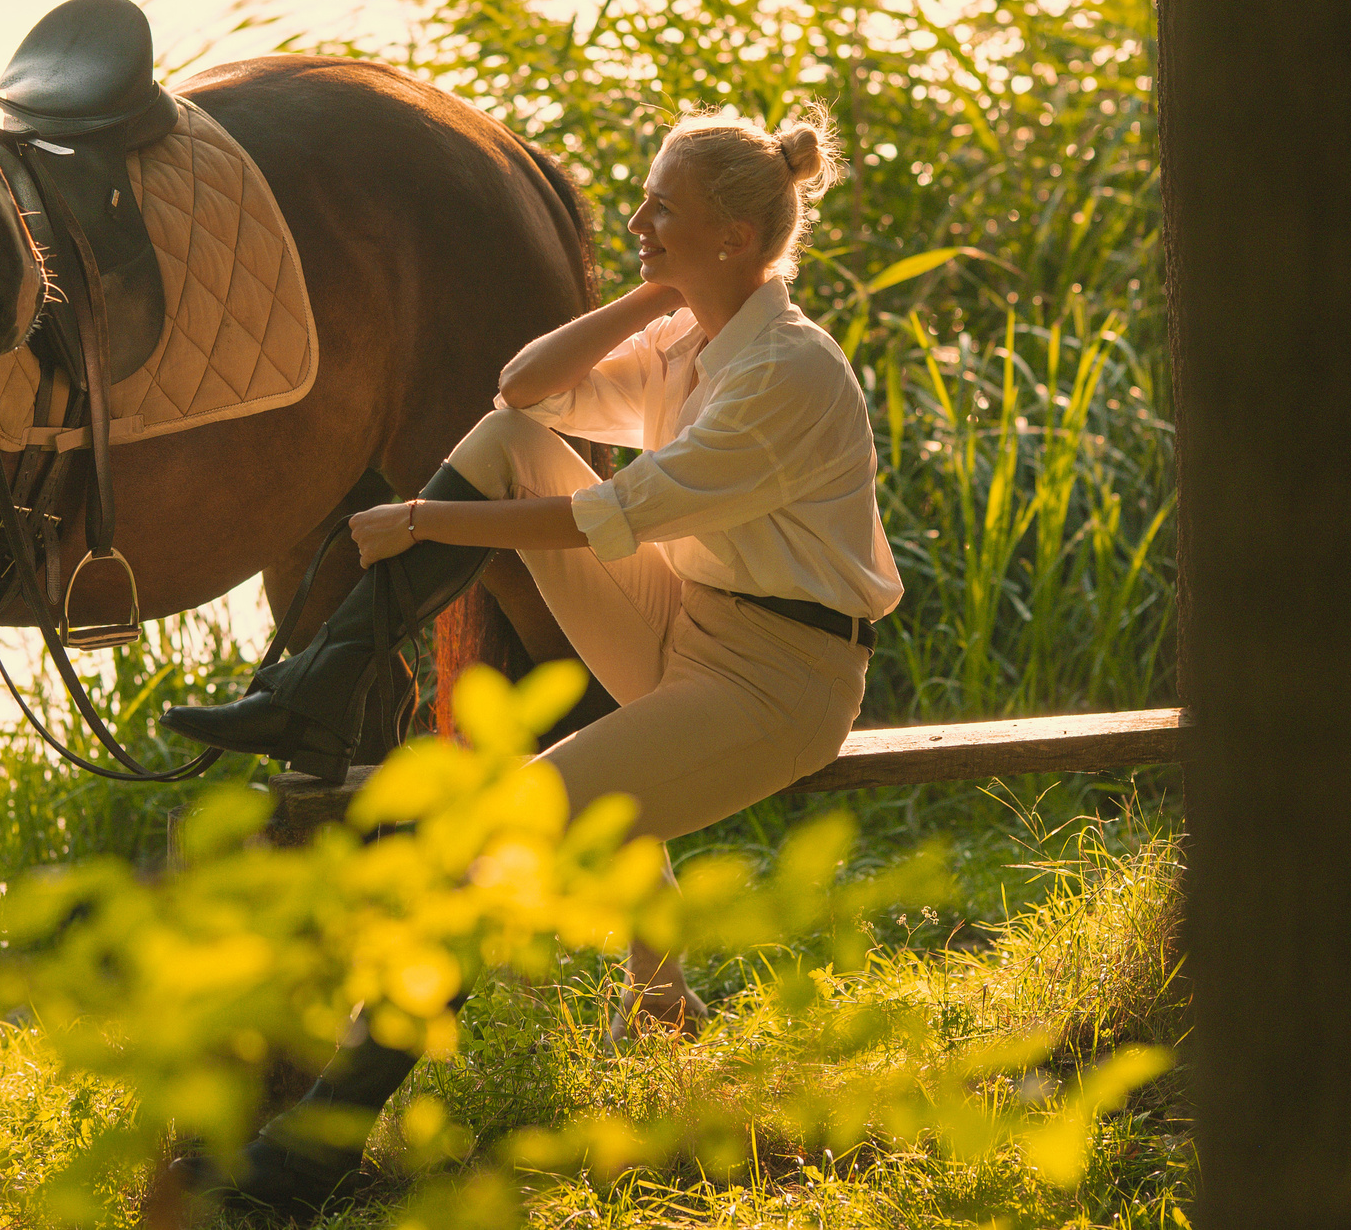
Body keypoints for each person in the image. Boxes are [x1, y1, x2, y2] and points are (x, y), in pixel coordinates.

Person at [162, 105, 902, 1215]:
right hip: (685, 620)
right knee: (510, 445)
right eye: (646, 200)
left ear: (741, 239)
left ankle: (304, 1158)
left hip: (776, 678)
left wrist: (423, 518)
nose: (641, 219)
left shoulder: (783, 376)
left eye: (666, 212)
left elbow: (612, 513)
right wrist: (656, 289)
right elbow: (520, 390)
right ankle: (325, 683)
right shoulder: (693, 334)